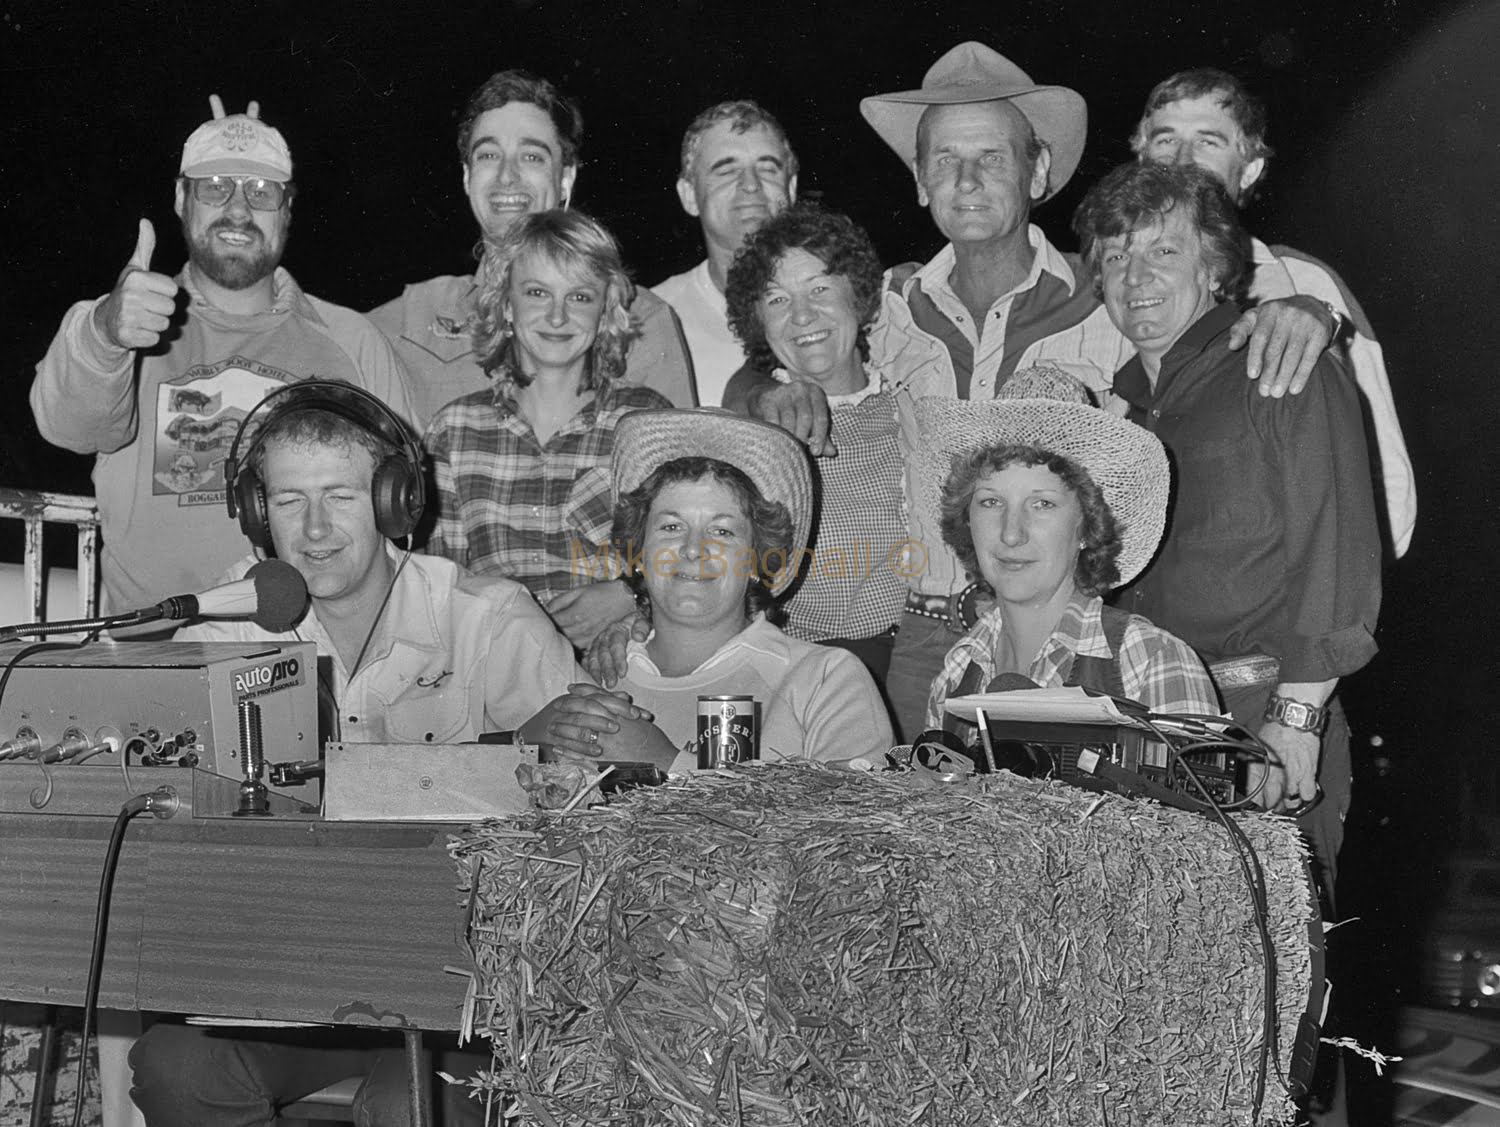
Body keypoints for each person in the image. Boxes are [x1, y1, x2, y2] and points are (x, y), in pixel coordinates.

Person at [722, 42, 1339, 741]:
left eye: (992, 156)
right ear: (919, 180)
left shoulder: (1110, 292)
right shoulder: (888, 305)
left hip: (1073, 638)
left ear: (1037, 170)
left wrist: (1311, 312)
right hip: (921, 641)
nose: (968, 178)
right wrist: (764, 386)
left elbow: (1221, 314)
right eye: (945, 161)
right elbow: (783, 341)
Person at [128, 380, 631, 1127]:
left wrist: (530, 753)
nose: (315, 528)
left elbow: (604, 790)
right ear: (257, 511)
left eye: (342, 496)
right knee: (175, 1067)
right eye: (289, 500)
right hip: (293, 984)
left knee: (408, 1106)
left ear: (397, 501)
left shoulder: (486, 618)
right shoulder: (227, 626)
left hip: (456, 994)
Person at [1073, 161, 1381, 907]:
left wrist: (1298, 722)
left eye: (1163, 251)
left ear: (1217, 267)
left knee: (1265, 988)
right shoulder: (1116, 409)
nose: (1135, 275)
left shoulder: (1280, 365)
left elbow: (1333, 548)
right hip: (1136, 725)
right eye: (1116, 256)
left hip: (1255, 721)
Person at [30, 95, 414, 623]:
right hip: (158, 656)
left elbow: (401, 504)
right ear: (181, 199)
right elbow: (67, 427)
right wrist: (105, 334)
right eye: (215, 187)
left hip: (316, 659)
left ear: (287, 209)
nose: (238, 209)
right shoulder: (126, 327)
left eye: (261, 191)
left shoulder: (353, 338)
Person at [1131, 67, 1416, 557]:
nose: (1181, 161)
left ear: (1249, 170)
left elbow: (1389, 487)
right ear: (1140, 157)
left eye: (1208, 142)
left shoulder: (1305, 283)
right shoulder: (1108, 287)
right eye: (1165, 140)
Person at [533, 409, 894, 771]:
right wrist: (531, 739)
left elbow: (862, 819)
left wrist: (665, 763)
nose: (693, 548)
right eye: (671, 527)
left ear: (757, 560)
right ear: (638, 554)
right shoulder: (592, 679)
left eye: (722, 531)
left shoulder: (824, 679)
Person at [368, 69, 694, 425]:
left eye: (532, 157)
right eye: (488, 155)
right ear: (466, 176)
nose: (507, 176)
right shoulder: (417, 315)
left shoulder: (638, 319)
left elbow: (679, 468)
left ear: (566, 177)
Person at [424, 210, 674, 649]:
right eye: (537, 292)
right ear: (505, 303)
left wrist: (629, 593)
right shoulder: (454, 431)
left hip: (625, 669)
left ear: (604, 311)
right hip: (496, 676)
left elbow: (691, 556)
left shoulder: (647, 422)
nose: (557, 316)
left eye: (579, 297)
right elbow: (439, 589)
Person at [915, 372, 1219, 729]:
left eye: (1042, 504)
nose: (1012, 534)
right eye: (991, 501)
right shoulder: (955, 674)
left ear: (1088, 527)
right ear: (966, 520)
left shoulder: (1149, 662)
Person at [723, 202, 907, 684]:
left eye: (820, 288)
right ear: (757, 321)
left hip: (911, 667)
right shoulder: (751, 428)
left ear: (860, 298)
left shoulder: (913, 407)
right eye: (777, 300)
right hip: (796, 670)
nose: (803, 316)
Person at [652, 100, 798, 406]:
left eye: (767, 168)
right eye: (726, 170)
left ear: (792, 188)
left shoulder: (838, 310)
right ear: (689, 195)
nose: (750, 185)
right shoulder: (653, 318)